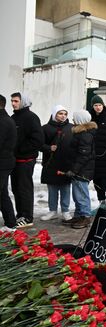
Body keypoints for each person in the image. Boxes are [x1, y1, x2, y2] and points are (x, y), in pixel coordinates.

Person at [10, 92, 44, 228]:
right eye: (12, 101)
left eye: (16, 101)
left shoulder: (31, 118)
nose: (13, 103)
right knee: (16, 188)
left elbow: (38, 140)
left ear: (23, 102)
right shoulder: (13, 117)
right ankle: (21, 215)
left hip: (26, 160)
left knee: (24, 188)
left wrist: (21, 150)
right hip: (15, 160)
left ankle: (28, 217)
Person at [63, 110, 97, 229]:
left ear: (80, 120)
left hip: (82, 171)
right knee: (77, 193)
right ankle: (78, 215)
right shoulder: (81, 133)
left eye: (74, 118)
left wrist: (74, 170)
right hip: (80, 169)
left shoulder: (85, 134)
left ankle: (85, 216)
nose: (72, 120)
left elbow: (84, 155)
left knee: (81, 194)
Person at [40, 105, 73, 222]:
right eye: (60, 113)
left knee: (65, 188)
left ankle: (65, 211)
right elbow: (38, 144)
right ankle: (52, 210)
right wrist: (49, 148)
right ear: (54, 114)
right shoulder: (45, 128)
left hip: (66, 163)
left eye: (65, 114)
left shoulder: (71, 128)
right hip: (51, 163)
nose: (63, 116)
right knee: (52, 188)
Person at [0, 95, 17, 231]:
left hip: (3, 163)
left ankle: (11, 223)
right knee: (2, 193)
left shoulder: (4, 121)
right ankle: (11, 223)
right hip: (5, 162)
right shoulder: (5, 119)